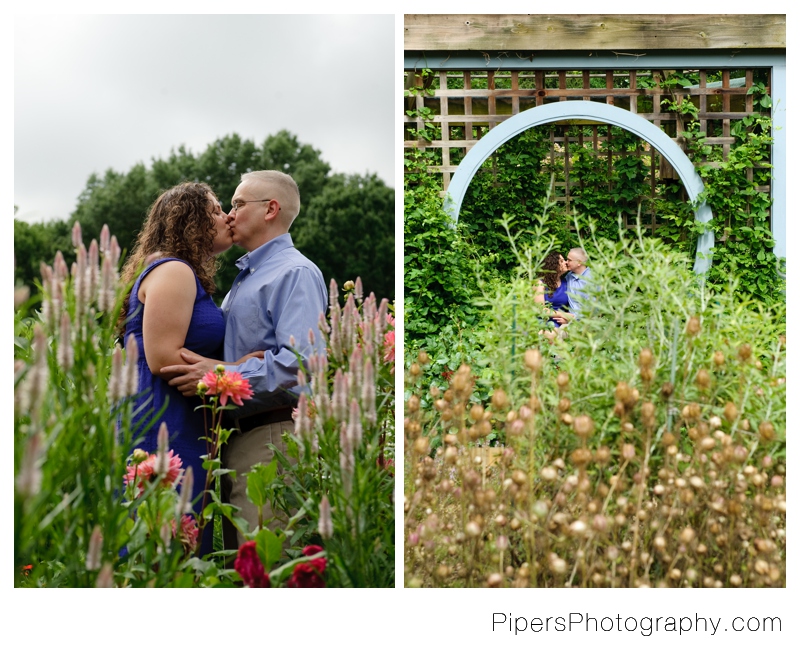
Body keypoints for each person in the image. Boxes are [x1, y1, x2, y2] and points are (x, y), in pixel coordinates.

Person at [161, 170, 328, 550]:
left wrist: (223, 373)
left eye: (237, 204)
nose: (229, 214)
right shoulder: (247, 277)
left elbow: (301, 364)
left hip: (271, 436)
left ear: (271, 209)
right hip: (238, 437)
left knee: (267, 568)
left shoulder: (295, 273)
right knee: (243, 566)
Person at [119, 182, 262, 553]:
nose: (227, 216)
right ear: (191, 221)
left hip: (182, 421)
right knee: (161, 546)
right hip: (163, 422)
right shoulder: (174, 271)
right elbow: (163, 359)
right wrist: (236, 368)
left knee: (179, 546)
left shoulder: (182, 273)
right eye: (216, 210)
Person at [534, 251, 575, 340]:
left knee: (550, 333)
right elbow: (540, 310)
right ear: (553, 265)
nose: (566, 262)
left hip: (558, 320)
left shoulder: (567, 282)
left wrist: (567, 318)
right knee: (540, 333)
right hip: (542, 318)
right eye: (561, 261)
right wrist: (563, 314)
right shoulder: (540, 283)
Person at [564, 247, 594, 319]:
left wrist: (572, 319)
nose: (566, 262)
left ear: (579, 263)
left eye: (569, 260)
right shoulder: (569, 276)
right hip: (569, 320)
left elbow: (593, 308)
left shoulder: (592, 279)